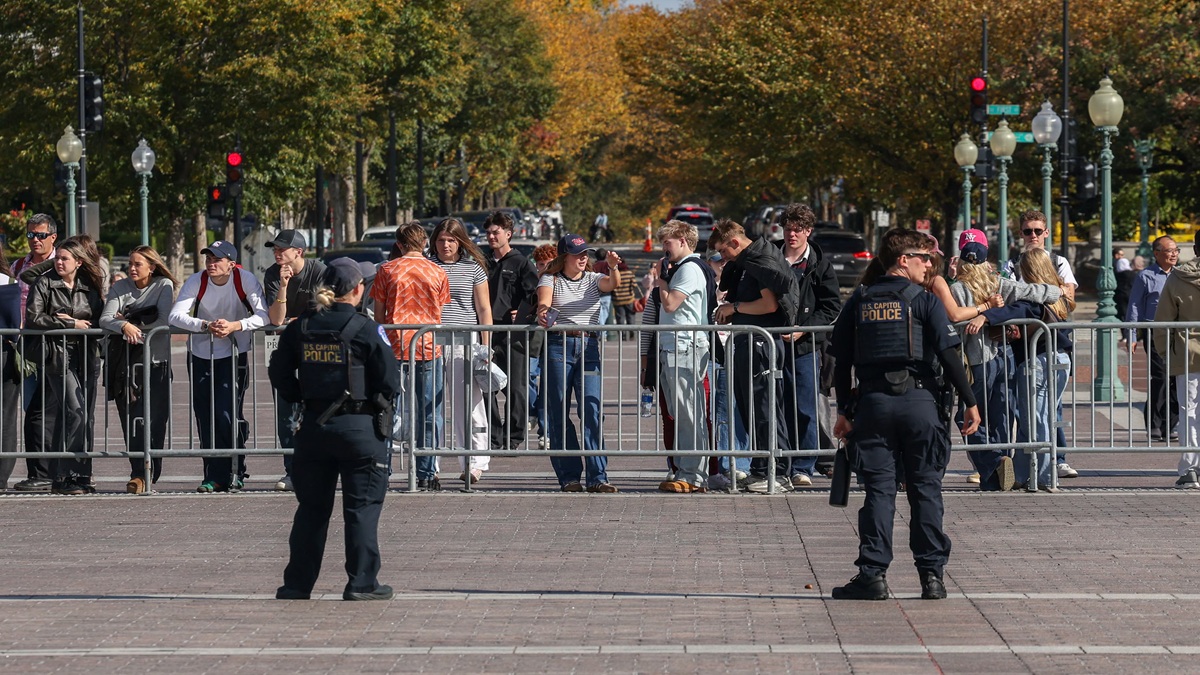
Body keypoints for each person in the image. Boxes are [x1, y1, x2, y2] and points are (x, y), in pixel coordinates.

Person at [828, 229, 981, 601]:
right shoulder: (924, 301)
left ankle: (873, 574)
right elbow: (949, 354)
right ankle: (932, 577)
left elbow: (840, 359)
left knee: (879, 491)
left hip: (873, 405)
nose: (929, 264)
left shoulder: (860, 300)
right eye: (923, 257)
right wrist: (970, 401)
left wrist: (845, 410)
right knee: (926, 490)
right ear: (902, 260)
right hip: (920, 404)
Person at [270, 258, 401, 601]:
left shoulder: (302, 326)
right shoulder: (366, 329)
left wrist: (300, 397)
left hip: (314, 426)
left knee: (311, 510)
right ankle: (361, 584)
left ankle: (297, 585)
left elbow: (278, 372)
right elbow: (389, 380)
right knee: (361, 509)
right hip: (359, 428)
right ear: (358, 290)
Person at [946, 229, 1063, 491]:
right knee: (1000, 417)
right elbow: (1050, 294)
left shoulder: (957, 290)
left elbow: (952, 327)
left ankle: (993, 462)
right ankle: (996, 476)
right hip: (1005, 356)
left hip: (976, 361)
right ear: (986, 261)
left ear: (962, 262)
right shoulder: (999, 284)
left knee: (969, 417)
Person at [169, 240, 269, 493]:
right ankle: (212, 474)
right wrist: (205, 325)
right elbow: (175, 315)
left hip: (234, 353)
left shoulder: (244, 280)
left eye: (217, 259)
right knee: (205, 414)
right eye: (208, 258)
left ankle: (236, 470)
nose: (211, 264)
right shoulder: (197, 280)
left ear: (231, 264)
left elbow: (263, 315)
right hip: (201, 353)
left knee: (228, 414)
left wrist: (236, 325)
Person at [708, 218, 800, 493]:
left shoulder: (759, 260)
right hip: (750, 342)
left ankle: (777, 472)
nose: (723, 258)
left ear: (735, 242)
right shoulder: (749, 261)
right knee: (752, 408)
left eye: (724, 251)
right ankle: (762, 468)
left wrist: (734, 307)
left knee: (764, 408)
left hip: (761, 344)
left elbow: (768, 304)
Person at [535, 233, 622, 493]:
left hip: (589, 345)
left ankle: (598, 477)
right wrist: (542, 312)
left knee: (592, 412)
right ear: (564, 257)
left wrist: (614, 267)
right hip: (558, 346)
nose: (583, 258)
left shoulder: (594, 279)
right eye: (577, 254)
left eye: (585, 253)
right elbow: (544, 302)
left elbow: (611, 285)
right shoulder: (550, 278)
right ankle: (569, 476)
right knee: (558, 413)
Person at [23, 238, 106, 495]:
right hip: (58, 356)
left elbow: (97, 317)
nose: (59, 262)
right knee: (74, 409)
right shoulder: (45, 282)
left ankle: (74, 474)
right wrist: (70, 324)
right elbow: (34, 318)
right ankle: (71, 474)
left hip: (86, 354)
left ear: (79, 262)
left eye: (65, 259)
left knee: (83, 414)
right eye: (57, 258)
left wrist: (77, 322)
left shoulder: (89, 285)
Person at [371, 222, 449, 490]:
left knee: (388, 411)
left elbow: (379, 315)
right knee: (430, 412)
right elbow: (440, 307)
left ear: (400, 244)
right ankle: (427, 472)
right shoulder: (437, 271)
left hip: (394, 347)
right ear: (424, 243)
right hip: (429, 346)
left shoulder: (387, 270)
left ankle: (384, 468)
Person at [1003, 210, 1079, 480]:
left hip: (1050, 343)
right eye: (1027, 231)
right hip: (1021, 346)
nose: (1033, 235)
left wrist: (1033, 294)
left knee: (1047, 409)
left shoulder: (1058, 261)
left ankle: (1052, 463)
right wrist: (1044, 291)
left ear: (1046, 233)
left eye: (1037, 230)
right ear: (1021, 234)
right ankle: (1027, 469)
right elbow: (1004, 299)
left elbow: (1068, 297)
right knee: (1027, 409)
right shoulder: (1013, 264)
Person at [99, 245, 178, 494]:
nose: (132, 268)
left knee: (155, 420)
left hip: (156, 363)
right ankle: (137, 473)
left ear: (152, 267)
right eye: (130, 264)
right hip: (126, 364)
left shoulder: (163, 285)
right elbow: (105, 318)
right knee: (132, 420)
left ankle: (151, 470)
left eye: (138, 264)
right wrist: (123, 326)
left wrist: (131, 322)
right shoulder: (120, 287)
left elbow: (164, 321)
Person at [775, 204, 841, 488]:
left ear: (808, 232)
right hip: (772, 345)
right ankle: (780, 464)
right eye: (788, 228)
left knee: (806, 407)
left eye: (798, 230)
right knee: (775, 407)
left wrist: (804, 330)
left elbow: (831, 305)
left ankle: (804, 466)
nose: (792, 234)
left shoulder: (819, 263)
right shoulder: (771, 257)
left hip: (805, 348)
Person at [262, 229, 327, 493]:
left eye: (282, 249)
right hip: (283, 349)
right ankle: (293, 470)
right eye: (275, 249)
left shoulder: (320, 271)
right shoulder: (272, 274)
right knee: (286, 412)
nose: (277, 253)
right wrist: (284, 287)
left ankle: (321, 468)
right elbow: (277, 319)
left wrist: (299, 321)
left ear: (298, 252)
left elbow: (324, 310)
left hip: (316, 350)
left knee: (319, 409)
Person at [430, 218, 493, 483]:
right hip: (431, 340)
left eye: (452, 240)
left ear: (461, 242)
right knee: (431, 403)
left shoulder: (473, 268)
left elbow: (484, 309)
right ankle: (429, 463)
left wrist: (486, 346)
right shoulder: (428, 266)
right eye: (442, 240)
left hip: (465, 341)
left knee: (469, 403)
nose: (446, 245)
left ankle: (475, 461)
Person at [653, 220, 713, 493]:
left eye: (668, 242)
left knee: (690, 414)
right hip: (675, 346)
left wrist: (661, 278)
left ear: (683, 241)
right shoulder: (683, 268)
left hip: (685, 346)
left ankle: (693, 475)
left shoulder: (688, 269)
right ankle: (686, 470)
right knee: (681, 413)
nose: (664, 248)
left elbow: (670, 303)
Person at [9, 213, 58, 492]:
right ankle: (40, 470)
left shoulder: (62, 263)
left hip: (55, 347)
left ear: (53, 237)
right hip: (25, 349)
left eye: (40, 235)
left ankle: (62, 468)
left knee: (60, 410)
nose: (34, 241)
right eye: (30, 235)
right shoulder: (18, 266)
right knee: (32, 411)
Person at [484, 211, 539, 452]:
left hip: (514, 335)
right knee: (486, 385)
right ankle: (494, 436)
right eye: (488, 232)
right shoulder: (483, 262)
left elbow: (536, 295)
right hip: (488, 332)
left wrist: (524, 311)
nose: (491, 236)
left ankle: (514, 436)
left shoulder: (521, 263)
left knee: (516, 387)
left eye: (496, 232)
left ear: (509, 234)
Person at [1153, 232, 1200, 489]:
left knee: (1189, 413)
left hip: (1187, 352)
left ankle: (1189, 468)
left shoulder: (1178, 277)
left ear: (1195, 248)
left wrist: (1164, 353)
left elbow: (1163, 321)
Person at [1127, 237, 1179, 442]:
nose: (1174, 254)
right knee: (1160, 376)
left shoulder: (1182, 275)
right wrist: (1131, 335)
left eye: (1176, 250)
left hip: (1177, 332)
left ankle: (1171, 424)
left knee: (1176, 378)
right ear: (1157, 253)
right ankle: (1155, 423)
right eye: (1169, 251)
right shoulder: (1145, 276)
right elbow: (1134, 306)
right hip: (1154, 331)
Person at [527, 244, 557, 449]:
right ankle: (533, 411)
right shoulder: (531, 283)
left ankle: (545, 431)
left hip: (555, 339)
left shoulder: (560, 282)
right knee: (526, 375)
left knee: (547, 385)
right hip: (534, 339)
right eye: (540, 264)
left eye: (549, 264)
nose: (544, 268)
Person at [0, 248, 18, 491]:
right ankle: (2, 477)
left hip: (4, 354)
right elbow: (14, 324)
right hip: (5, 351)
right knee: (6, 416)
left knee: (6, 416)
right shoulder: (8, 282)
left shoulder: (7, 281)